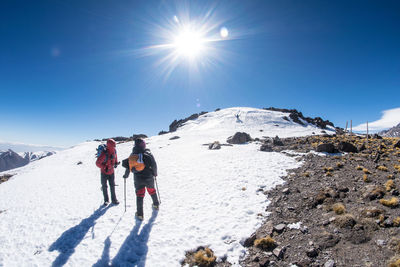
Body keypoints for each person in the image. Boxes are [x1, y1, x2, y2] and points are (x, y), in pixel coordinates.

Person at [123, 138, 159, 220]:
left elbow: (129, 166)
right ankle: (156, 205)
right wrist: (155, 173)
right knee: (152, 191)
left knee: (139, 195)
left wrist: (126, 175)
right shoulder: (148, 153)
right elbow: (153, 164)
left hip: (138, 179)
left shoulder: (133, 154)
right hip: (149, 177)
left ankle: (140, 214)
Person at [96, 139, 119, 206]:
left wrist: (116, 163)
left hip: (111, 172)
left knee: (112, 186)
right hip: (104, 173)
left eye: (114, 145)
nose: (114, 147)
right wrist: (104, 167)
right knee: (104, 186)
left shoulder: (114, 151)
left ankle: (114, 200)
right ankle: (106, 200)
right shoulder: (104, 153)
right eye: (113, 146)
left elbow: (115, 157)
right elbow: (97, 163)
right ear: (109, 145)